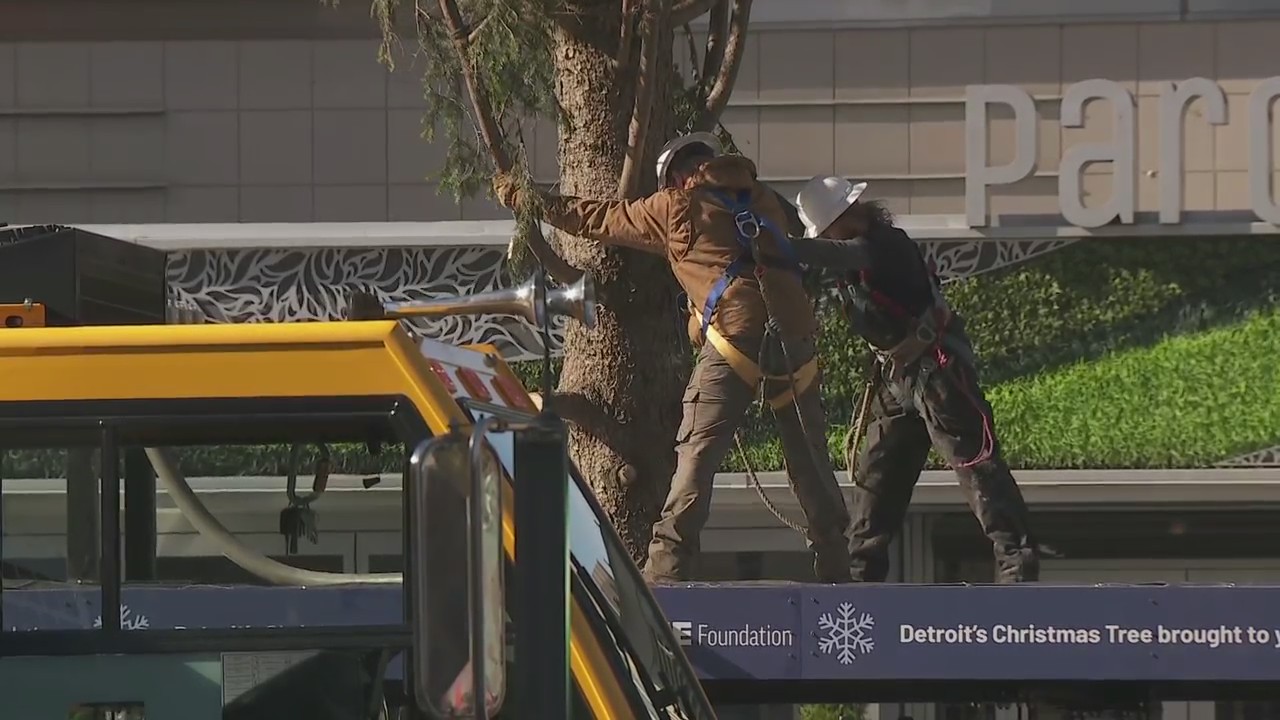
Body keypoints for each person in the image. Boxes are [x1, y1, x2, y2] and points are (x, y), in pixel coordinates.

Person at [493, 133, 853, 584]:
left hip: (734, 340)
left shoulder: (675, 206)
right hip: (794, 335)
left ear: (679, 178)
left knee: (695, 457)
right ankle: (838, 566)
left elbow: (599, 218)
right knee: (810, 459)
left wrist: (529, 200)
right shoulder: (763, 198)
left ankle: (666, 571)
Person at [793, 175, 1041, 584]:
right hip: (898, 381)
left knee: (975, 465)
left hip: (939, 374)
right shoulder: (846, 260)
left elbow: (842, 255)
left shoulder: (886, 245)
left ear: (846, 218)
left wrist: (782, 246)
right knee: (876, 479)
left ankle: (1015, 559)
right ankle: (860, 576)